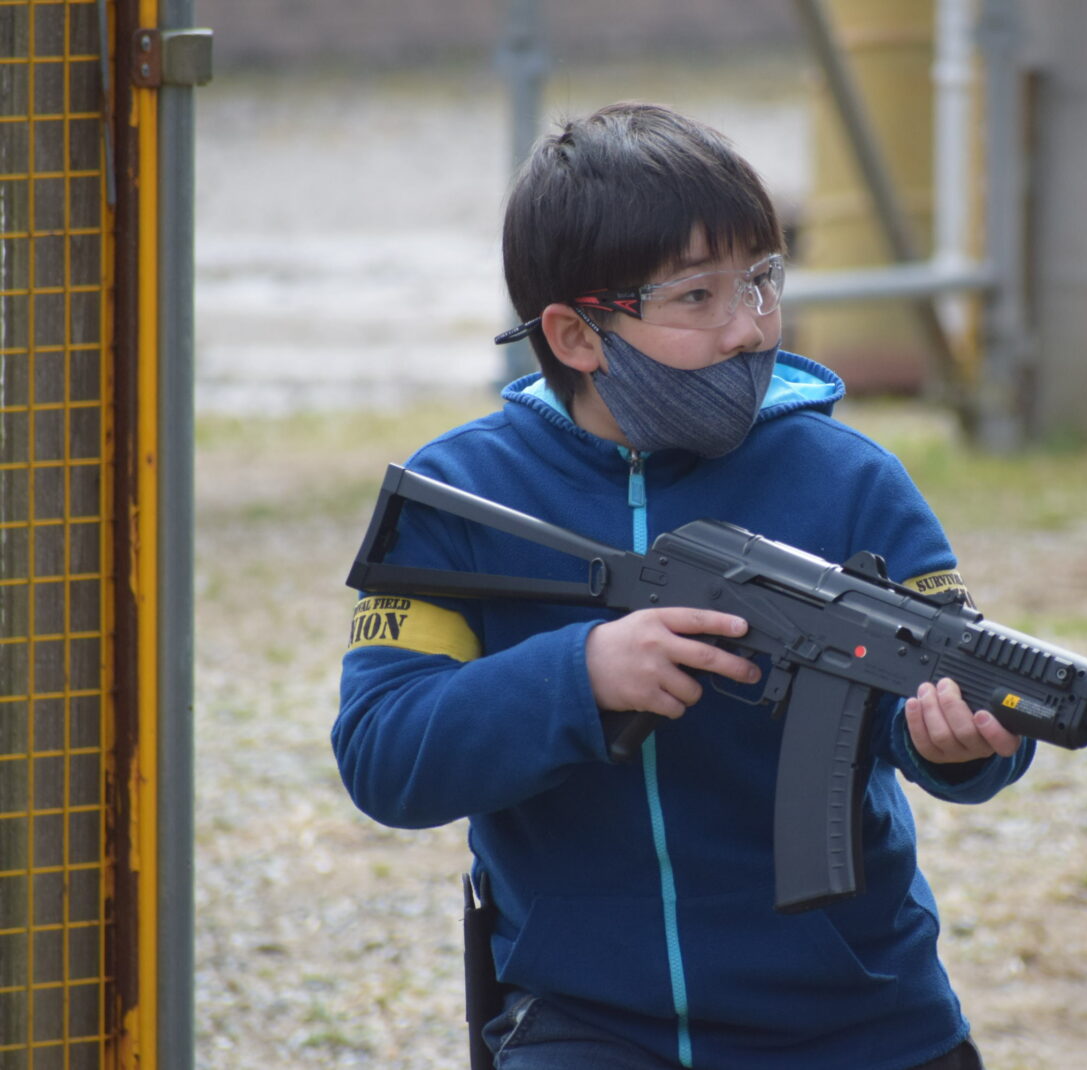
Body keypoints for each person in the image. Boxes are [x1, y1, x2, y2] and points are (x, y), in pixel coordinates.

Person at [333, 101, 1035, 1070]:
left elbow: (952, 709)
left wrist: (958, 746)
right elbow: (386, 754)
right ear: (576, 335)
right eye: (697, 296)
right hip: (584, 1025)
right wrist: (581, 675)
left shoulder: (853, 481)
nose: (748, 328)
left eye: (762, 280)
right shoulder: (462, 496)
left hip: (866, 1020)